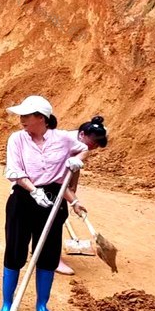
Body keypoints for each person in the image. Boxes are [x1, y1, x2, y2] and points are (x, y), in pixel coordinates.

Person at [0, 96, 88, 311]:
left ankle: (42, 305)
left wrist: (77, 161)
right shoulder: (17, 139)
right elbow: (14, 170)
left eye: (26, 116)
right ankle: (7, 304)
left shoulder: (63, 139)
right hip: (23, 197)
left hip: (52, 200)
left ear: (41, 117)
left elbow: (84, 148)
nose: (21, 120)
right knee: (15, 251)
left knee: (47, 255)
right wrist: (33, 190)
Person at [56, 116, 109, 275]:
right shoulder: (64, 144)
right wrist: (74, 202)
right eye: (93, 142)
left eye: (97, 144)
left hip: (51, 180)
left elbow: (74, 168)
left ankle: (43, 253)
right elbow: (58, 180)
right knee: (55, 217)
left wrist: (73, 189)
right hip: (39, 181)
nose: (94, 147)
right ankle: (52, 260)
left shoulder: (80, 144)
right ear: (82, 134)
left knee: (58, 214)